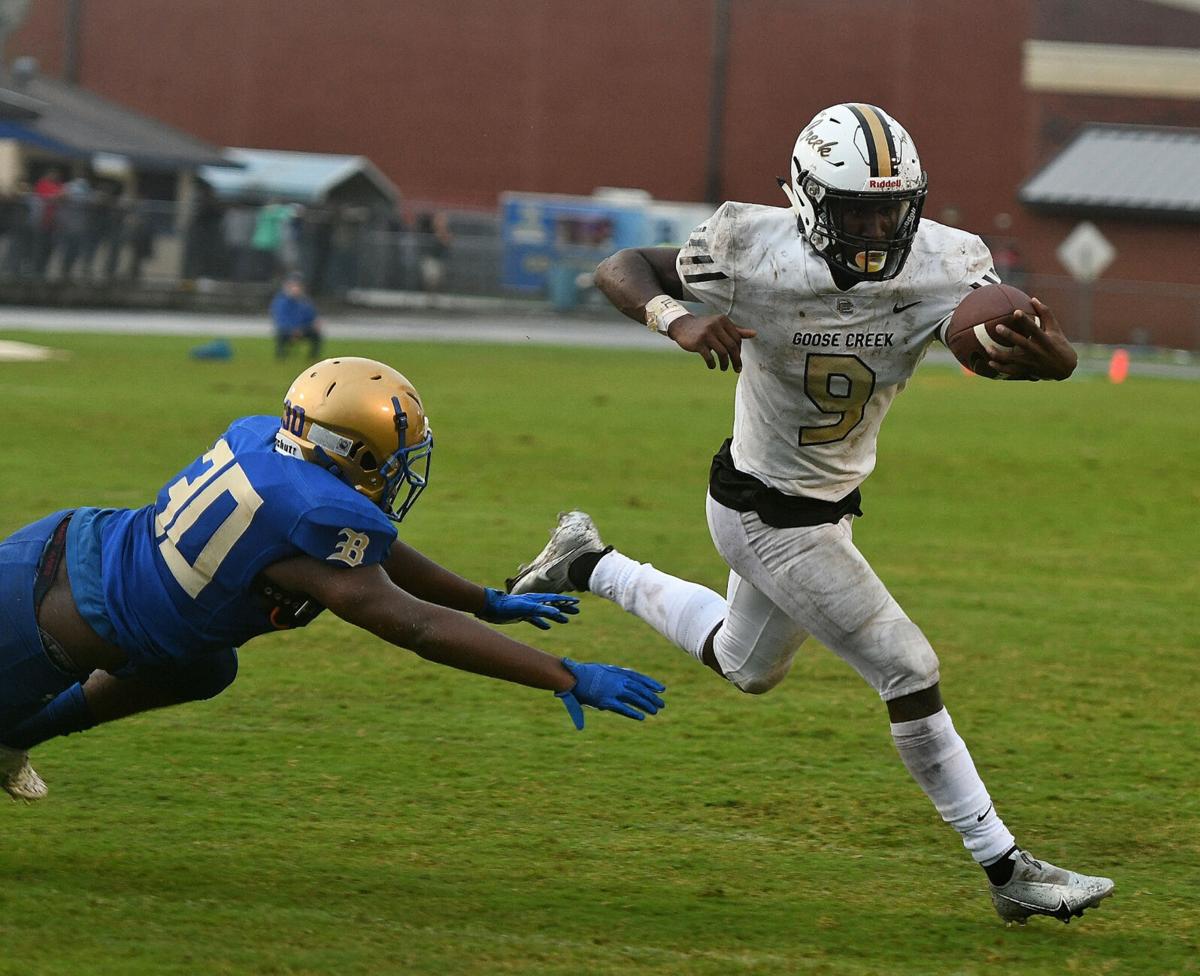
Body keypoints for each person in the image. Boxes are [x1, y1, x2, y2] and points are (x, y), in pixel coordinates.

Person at [507, 103, 1112, 926]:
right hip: (764, 509)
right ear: (805, 201)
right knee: (909, 669)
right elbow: (623, 265)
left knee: (746, 666)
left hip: (827, 506)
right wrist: (677, 318)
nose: (876, 230)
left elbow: (1016, 342)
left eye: (890, 211)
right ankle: (1007, 869)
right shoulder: (750, 246)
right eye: (856, 211)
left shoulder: (945, 262)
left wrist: (1054, 360)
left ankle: (587, 562)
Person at [0, 357, 666, 803]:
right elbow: (416, 626)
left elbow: (377, 554)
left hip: (71, 551)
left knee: (204, 667)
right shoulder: (310, 512)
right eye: (393, 459)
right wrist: (561, 674)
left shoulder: (269, 441)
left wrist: (483, 601)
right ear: (352, 454)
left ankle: (14, 738)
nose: (402, 473)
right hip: (45, 618)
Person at [269, 272, 322, 360]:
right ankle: (281, 356)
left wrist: (314, 323)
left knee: (316, 335)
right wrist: (293, 329)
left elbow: (311, 316)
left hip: (303, 329)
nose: (296, 289)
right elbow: (281, 319)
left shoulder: (305, 301)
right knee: (281, 335)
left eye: (298, 286)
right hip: (287, 330)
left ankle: (312, 358)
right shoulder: (281, 301)